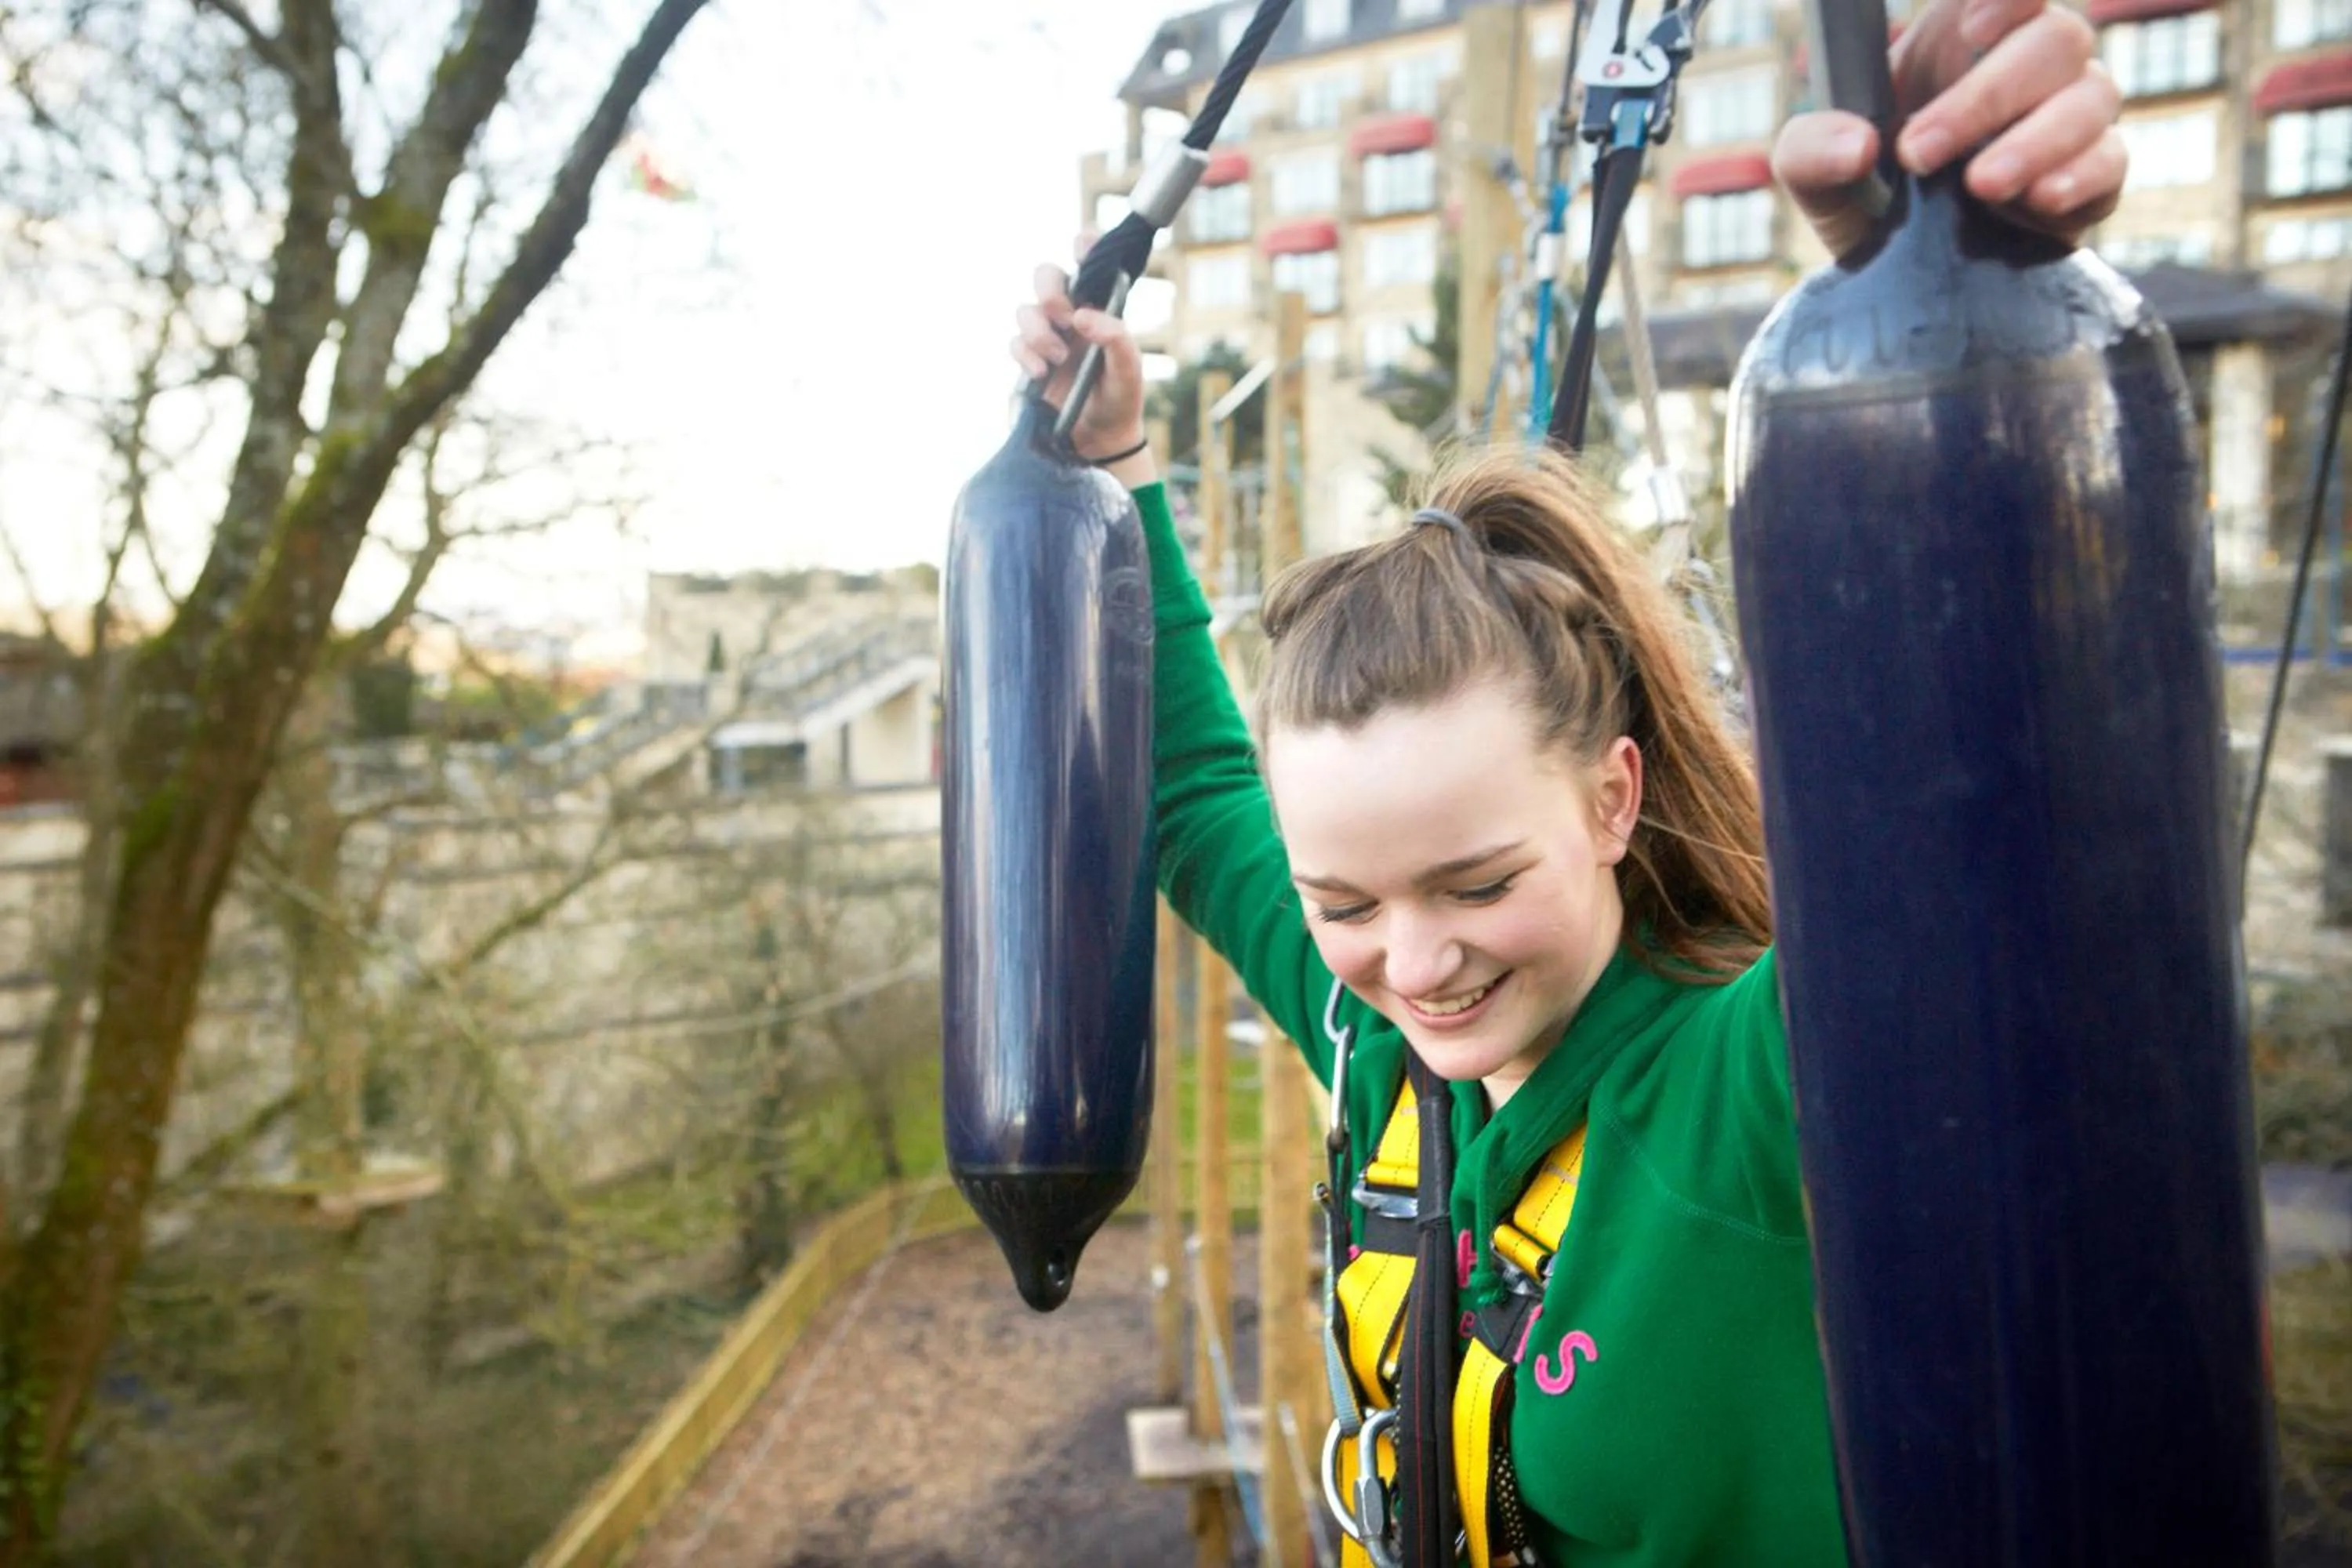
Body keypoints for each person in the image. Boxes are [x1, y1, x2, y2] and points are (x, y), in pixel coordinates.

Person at [1010, 2, 2125, 1562]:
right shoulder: (1373, 1034)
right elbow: (1192, 792)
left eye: (1477, 882)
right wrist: (1124, 458)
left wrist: (1959, 313)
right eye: (1345, 902)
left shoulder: (1761, 1086)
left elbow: (1986, 828)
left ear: (1612, 798)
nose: (1415, 962)